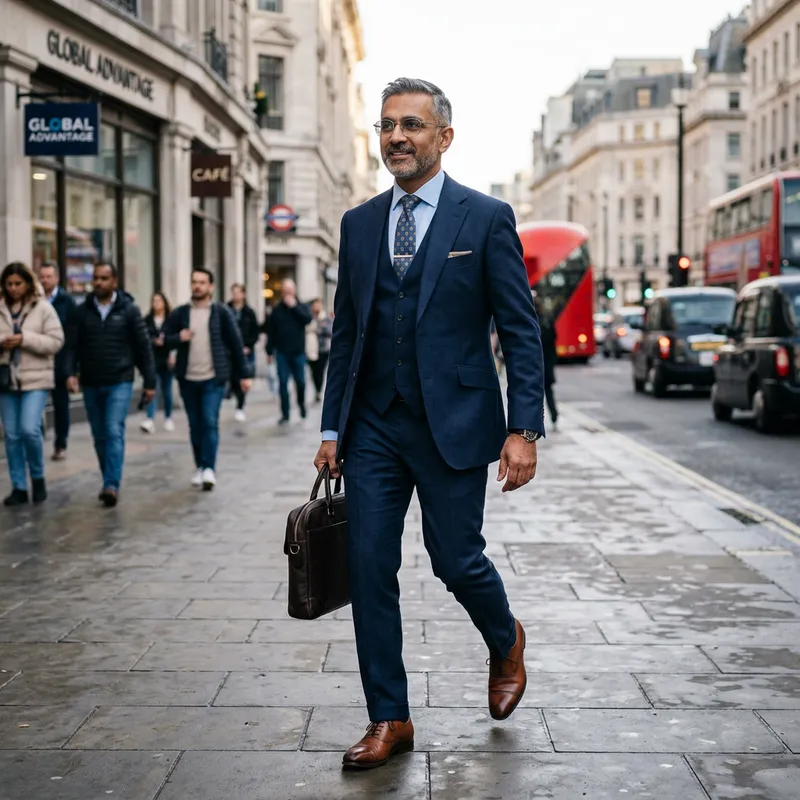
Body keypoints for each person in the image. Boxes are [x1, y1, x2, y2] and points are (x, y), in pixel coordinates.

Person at [314, 78, 546, 770]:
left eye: (412, 125)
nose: (397, 138)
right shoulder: (359, 225)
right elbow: (346, 336)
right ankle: (390, 717)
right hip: (375, 427)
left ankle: (504, 639)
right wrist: (331, 429)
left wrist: (522, 429)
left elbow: (519, 329)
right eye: (387, 126)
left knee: (455, 559)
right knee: (368, 566)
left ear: (444, 136)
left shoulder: (485, 217)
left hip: (456, 421)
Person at [64, 263, 156, 507]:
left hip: (120, 380)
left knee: (113, 429)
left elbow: (143, 348)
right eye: (96, 278)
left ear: (115, 281)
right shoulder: (81, 312)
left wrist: (149, 382)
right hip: (91, 381)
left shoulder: (130, 311)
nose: (99, 283)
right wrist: (70, 372)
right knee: (99, 435)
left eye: (104, 278)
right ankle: (109, 478)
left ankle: (111, 485)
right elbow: (71, 346)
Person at [164, 269, 252, 491]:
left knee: (210, 421)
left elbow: (235, 342)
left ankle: (209, 468)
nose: (197, 286)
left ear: (210, 286)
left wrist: (244, 375)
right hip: (188, 378)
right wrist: (178, 337)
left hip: (213, 378)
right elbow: (163, 338)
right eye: (194, 282)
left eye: (202, 282)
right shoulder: (181, 313)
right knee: (195, 425)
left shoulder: (221, 312)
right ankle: (199, 465)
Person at [0, 262, 65, 506]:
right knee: (13, 435)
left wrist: (25, 339)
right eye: (9, 284)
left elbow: (56, 341)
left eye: (18, 283)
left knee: (29, 429)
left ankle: (37, 478)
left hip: (36, 378)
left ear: (27, 283)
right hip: (6, 380)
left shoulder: (43, 308)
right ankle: (19, 486)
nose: (14, 288)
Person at [38, 262, 75, 460]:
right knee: (37, 405)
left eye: (48, 276)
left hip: (60, 363)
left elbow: (70, 336)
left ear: (57, 278)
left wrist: (70, 369)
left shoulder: (66, 301)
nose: (45, 280)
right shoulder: (34, 300)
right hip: (38, 361)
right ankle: (37, 440)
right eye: (42, 276)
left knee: (61, 405)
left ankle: (61, 443)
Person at [266, 279, 312, 424]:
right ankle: (285, 413)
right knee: (283, 384)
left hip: (298, 352)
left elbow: (307, 320)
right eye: (285, 290)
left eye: (290, 290)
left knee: (301, 382)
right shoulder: (277, 309)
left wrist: (294, 307)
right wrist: (269, 351)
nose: (287, 293)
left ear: (294, 291)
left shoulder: (302, 306)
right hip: (281, 353)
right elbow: (271, 331)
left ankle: (301, 405)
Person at [141, 292, 175, 434]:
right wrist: (153, 340)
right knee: (151, 388)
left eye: (159, 301)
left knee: (167, 390)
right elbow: (143, 337)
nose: (156, 304)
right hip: (152, 358)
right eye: (154, 301)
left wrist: (172, 351)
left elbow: (176, 338)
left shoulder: (171, 319)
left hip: (166, 358)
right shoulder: (147, 320)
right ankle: (150, 419)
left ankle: (168, 417)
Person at [227, 283, 259, 422]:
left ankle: (240, 406)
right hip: (230, 352)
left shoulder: (249, 312)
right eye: (233, 292)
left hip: (246, 351)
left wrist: (248, 346)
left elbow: (255, 332)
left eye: (237, 292)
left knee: (244, 378)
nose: (235, 295)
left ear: (243, 294)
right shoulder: (226, 310)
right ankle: (235, 397)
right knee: (233, 378)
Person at [535, 295, 559, 429]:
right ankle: (554, 415)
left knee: (535, 393)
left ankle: (536, 422)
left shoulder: (532, 321)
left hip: (537, 363)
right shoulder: (547, 319)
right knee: (548, 392)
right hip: (547, 362)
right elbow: (555, 337)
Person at [306, 298, 332, 403]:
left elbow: (330, 330)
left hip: (323, 349)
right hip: (311, 349)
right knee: (313, 372)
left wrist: (316, 330)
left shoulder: (326, 318)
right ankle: (317, 389)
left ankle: (318, 391)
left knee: (320, 371)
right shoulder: (308, 318)